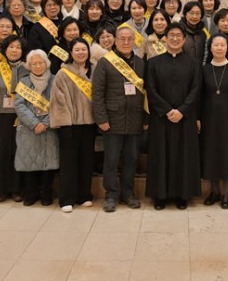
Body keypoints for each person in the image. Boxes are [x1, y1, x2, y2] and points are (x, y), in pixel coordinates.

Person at [145, 22, 202, 209]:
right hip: (161, 118)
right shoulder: (153, 63)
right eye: (172, 35)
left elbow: (196, 89)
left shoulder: (194, 63)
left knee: (183, 156)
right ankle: (160, 196)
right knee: (161, 155)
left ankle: (182, 195)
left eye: (179, 36)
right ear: (165, 39)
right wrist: (168, 111)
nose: (175, 39)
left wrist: (182, 110)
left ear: (184, 39)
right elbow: (151, 90)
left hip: (186, 118)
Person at [92, 26, 147, 212]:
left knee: (132, 159)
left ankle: (128, 194)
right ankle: (111, 195)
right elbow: (97, 93)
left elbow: (145, 93)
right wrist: (101, 118)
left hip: (134, 119)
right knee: (111, 160)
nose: (126, 42)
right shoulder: (105, 62)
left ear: (134, 41)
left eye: (129, 39)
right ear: (115, 40)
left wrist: (145, 118)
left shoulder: (140, 63)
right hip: (112, 119)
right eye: (122, 38)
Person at [50, 38, 96, 212]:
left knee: (86, 160)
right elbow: (59, 101)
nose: (81, 53)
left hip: (90, 123)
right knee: (69, 163)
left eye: (83, 49)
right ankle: (67, 198)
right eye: (77, 50)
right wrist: (65, 124)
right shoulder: (63, 73)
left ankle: (84, 195)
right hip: (70, 124)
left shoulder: (95, 70)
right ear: (71, 52)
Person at [199, 34, 228, 209]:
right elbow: (199, 96)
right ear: (210, 48)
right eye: (215, 45)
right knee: (210, 153)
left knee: (226, 153)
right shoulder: (204, 70)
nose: (219, 48)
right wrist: (197, 118)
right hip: (208, 117)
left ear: (227, 48)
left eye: (222, 45)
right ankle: (214, 191)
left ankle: (226, 194)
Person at [15, 50, 59, 207]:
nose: (38, 66)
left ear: (46, 63)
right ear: (29, 66)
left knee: (48, 162)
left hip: (49, 128)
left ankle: (46, 193)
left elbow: (59, 104)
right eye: (34, 63)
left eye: (40, 62)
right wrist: (34, 123)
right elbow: (19, 105)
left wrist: (45, 123)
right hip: (29, 128)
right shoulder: (24, 82)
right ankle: (31, 194)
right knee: (29, 161)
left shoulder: (55, 80)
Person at [0, 34, 28, 202]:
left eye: (18, 47)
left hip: (22, 116)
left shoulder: (28, 68)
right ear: (5, 49)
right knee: (1, 151)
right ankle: (0, 189)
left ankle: (17, 189)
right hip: (1, 116)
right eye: (11, 47)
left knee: (19, 151)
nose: (14, 50)